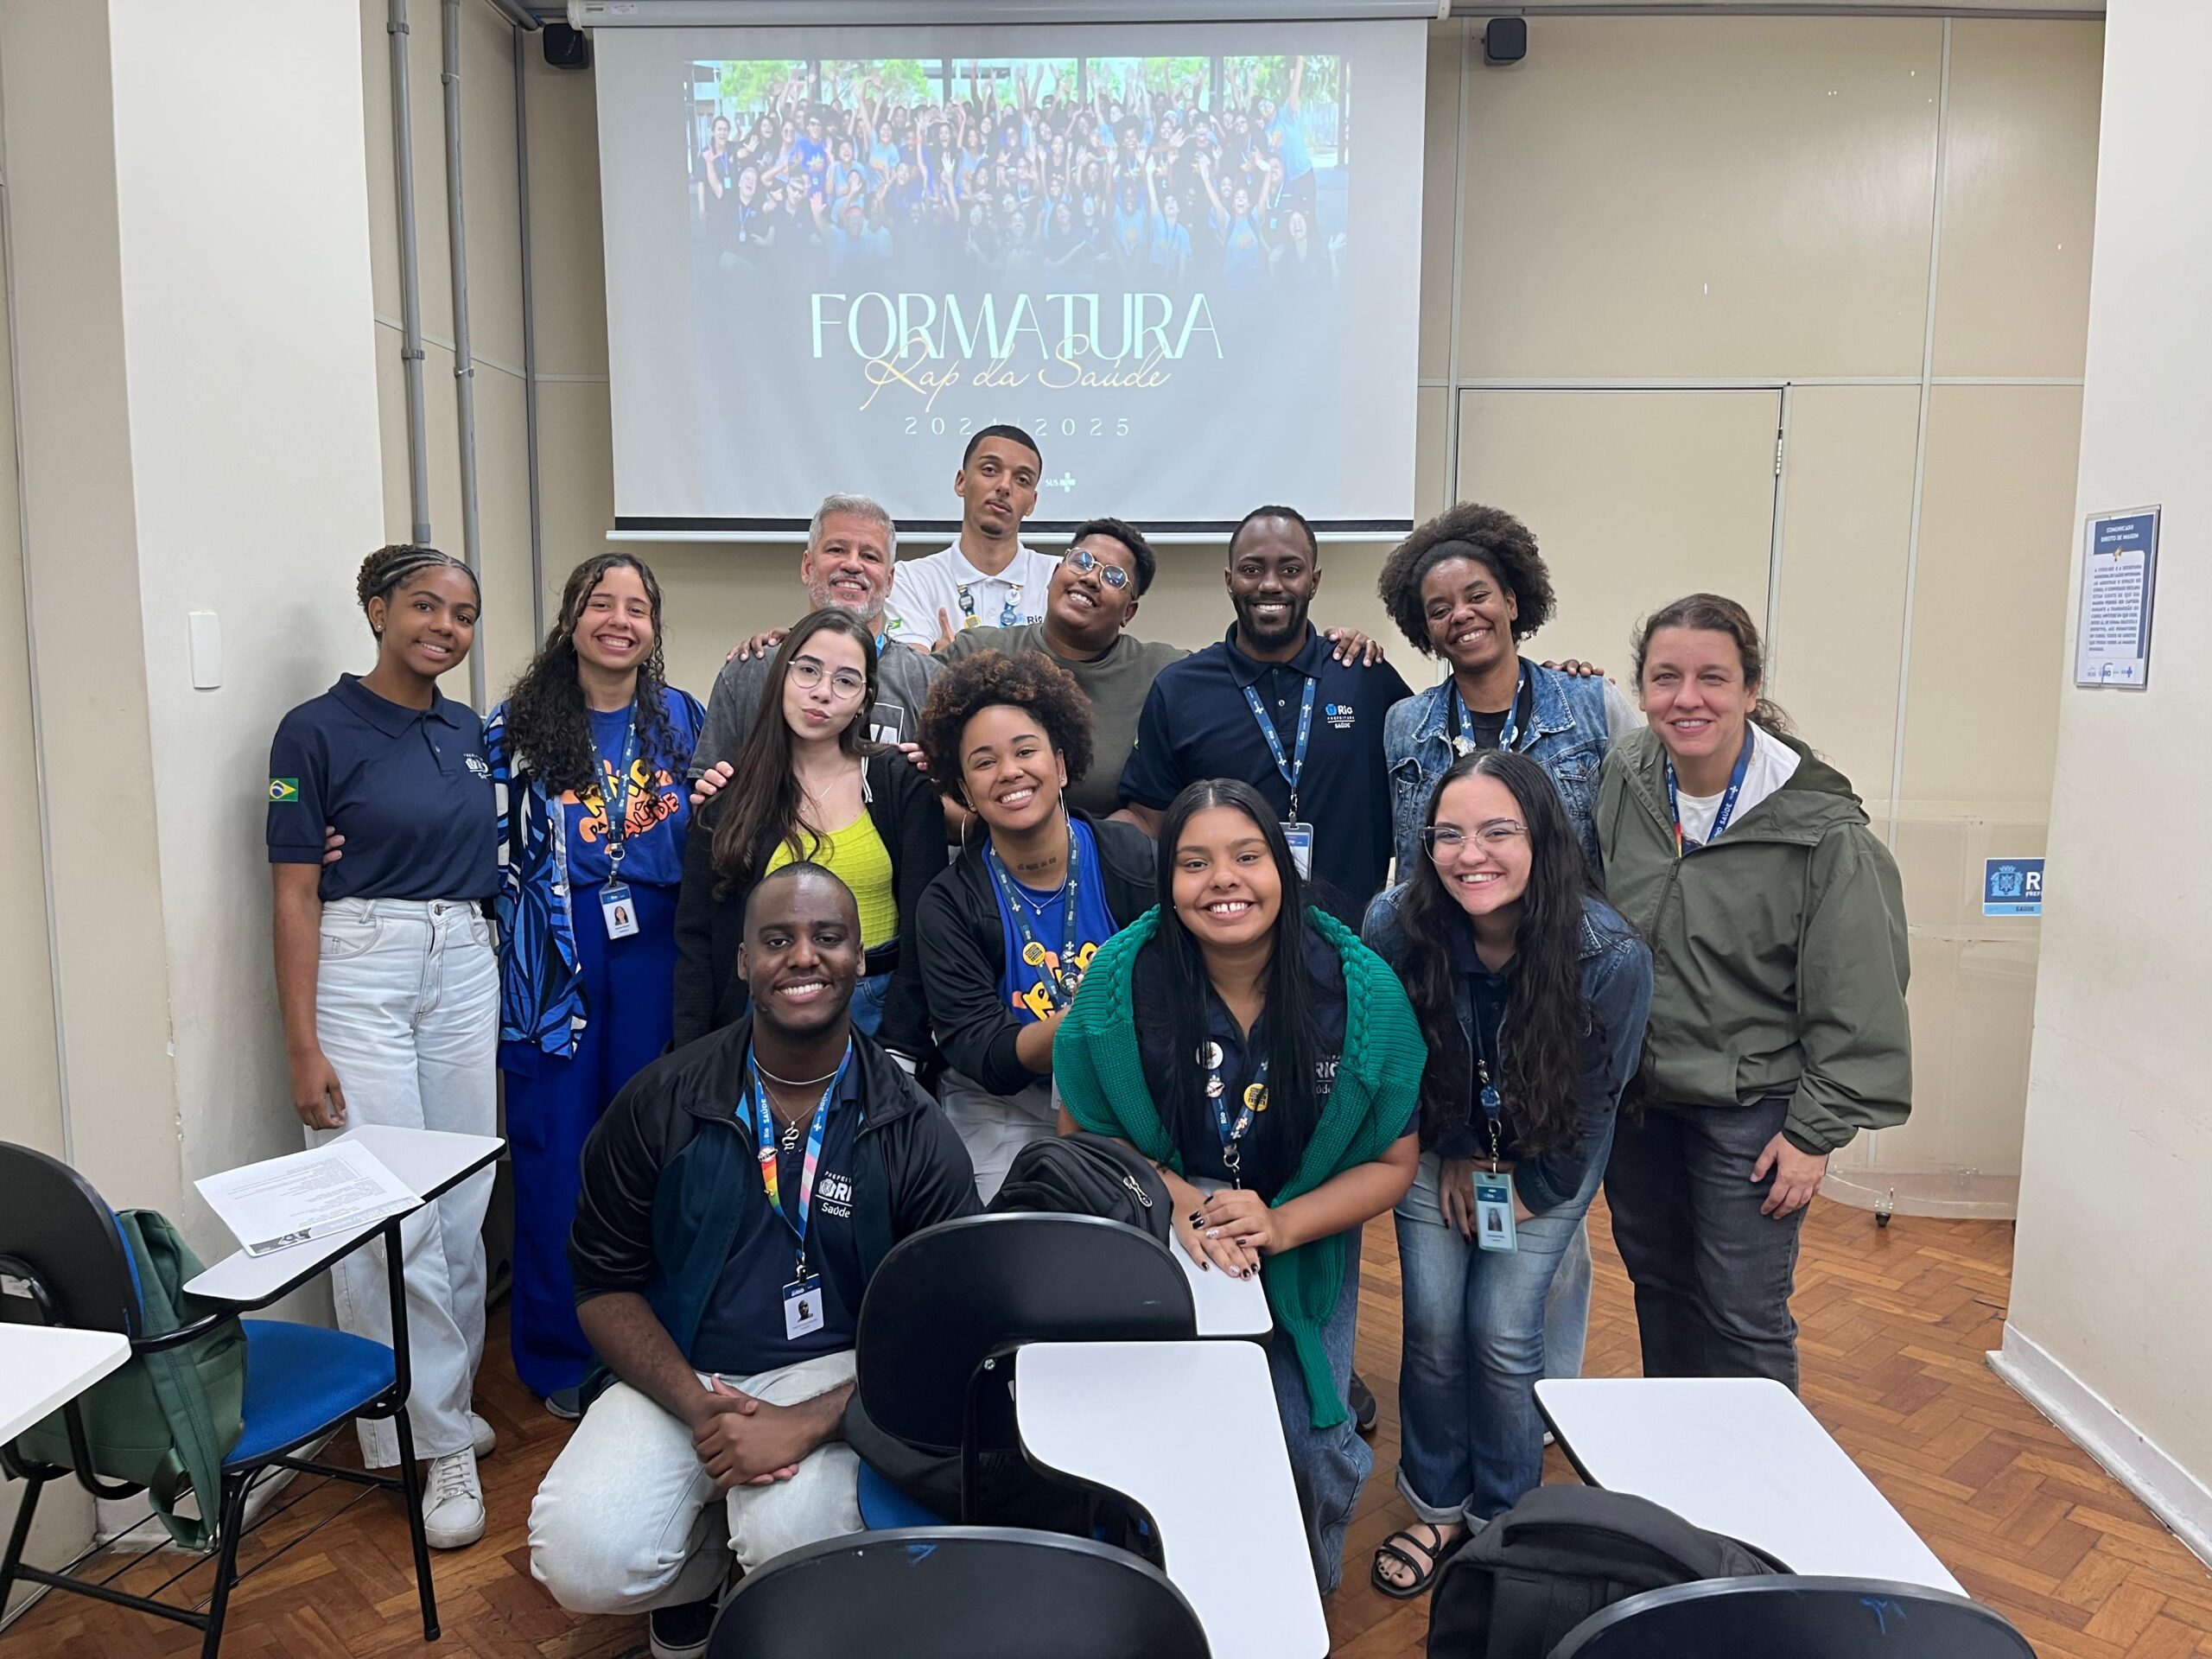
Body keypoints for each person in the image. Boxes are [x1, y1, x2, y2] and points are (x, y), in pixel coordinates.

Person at [528, 864, 979, 1658]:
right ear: (743, 963)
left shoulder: (914, 1127)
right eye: (778, 940)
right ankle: (703, 1573)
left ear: (860, 958)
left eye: (827, 937)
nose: (803, 957)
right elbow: (602, 1284)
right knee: (581, 1561)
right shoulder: (660, 1100)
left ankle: (752, 1560)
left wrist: (808, 1422)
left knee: (793, 1552)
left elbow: (947, 1329)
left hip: (836, 1373)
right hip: (686, 1367)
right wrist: (698, 1405)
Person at [1053, 779, 1422, 1593]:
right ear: (1167, 879)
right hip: (1161, 1237)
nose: (1223, 879)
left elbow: (1393, 1164)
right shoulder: (1122, 980)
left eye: (1247, 856)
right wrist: (1175, 1196)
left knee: (1307, 1442)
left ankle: (1298, 1595)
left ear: (1283, 867)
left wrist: (1282, 1225)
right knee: (1167, 1432)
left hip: (1302, 1240)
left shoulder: (1359, 991)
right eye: (1195, 863)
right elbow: (1081, 1133)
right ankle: (1170, 1597)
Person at [1598, 594, 1912, 1389]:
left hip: (1754, 1113)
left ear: (1750, 687)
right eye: (1666, 677)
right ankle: (1678, 1479)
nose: (1688, 698)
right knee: (1661, 1291)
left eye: (1713, 677)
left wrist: (1813, 1137)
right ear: (1641, 691)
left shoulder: (1824, 834)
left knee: (1743, 1316)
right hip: (1642, 1103)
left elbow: (1863, 999)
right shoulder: (1627, 777)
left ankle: (1759, 1505)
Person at [1361, 752, 1652, 1597]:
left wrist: (1520, 1185)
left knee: (1499, 1330)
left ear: (1541, 840)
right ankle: (1436, 1503)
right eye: (1447, 834)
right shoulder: (1396, 923)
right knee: (1435, 1325)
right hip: (1437, 1140)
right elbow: (1392, 1064)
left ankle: (1503, 1521)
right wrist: (1454, 1146)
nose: (1469, 854)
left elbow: (1596, 1105)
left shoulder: (1606, 953)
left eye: (1496, 831)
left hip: (1550, 1149)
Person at [265, 544, 499, 1550]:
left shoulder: (468, 730)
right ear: (375, 609)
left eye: (463, 613)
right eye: (423, 606)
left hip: (464, 957)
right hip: (362, 958)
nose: (444, 626)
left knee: (458, 1196)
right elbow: (290, 893)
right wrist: (301, 1046)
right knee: (380, 1201)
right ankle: (427, 1432)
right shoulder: (313, 731)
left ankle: (432, 1404)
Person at [485, 553, 706, 1420]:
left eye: (637, 607)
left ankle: (650, 1349)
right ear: (570, 617)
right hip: (554, 960)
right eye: (600, 603)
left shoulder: (682, 721)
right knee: (556, 1159)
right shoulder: (512, 731)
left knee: (656, 1156)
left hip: (658, 953)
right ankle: (559, 1355)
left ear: (652, 629)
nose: (619, 619)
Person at [913, 650, 1156, 1198]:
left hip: (1129, 1089)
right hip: (1002, 1106)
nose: (1010, 772)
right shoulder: (948, 904)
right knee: (1015, 1250)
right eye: (983, 762)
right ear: (964, 790)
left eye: (1026, 750)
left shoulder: (1131, 859)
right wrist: (1095, 1017)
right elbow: (985, 1054)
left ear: (1062, 766)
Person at [1121, 504, 1413, 930]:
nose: (1270, 585)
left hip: (1350, 948)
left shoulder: (1364, 676)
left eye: (1290, 570)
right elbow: (1150, 826)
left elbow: (1431, 755)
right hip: (1223, 944)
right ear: (1229, 582)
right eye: (1252, 569)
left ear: (1313, 582)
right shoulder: (1179, 689)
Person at [675, 611, 943, 1059]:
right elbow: (696, 942)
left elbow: (923, 931)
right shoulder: (728, 794)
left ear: (864, 700)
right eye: (808, 670)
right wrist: (692, 1059)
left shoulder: (901, 782)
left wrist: (903, 1046)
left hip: (874, 1015)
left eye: (845, 681)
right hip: (756, 1013)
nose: (822, 692)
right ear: (782, 674)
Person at [1376, 503, 1640, 880]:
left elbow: (1638, 843)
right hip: (1441, 935)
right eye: (1439, 610)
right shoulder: (1403, 725)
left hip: (1565, 933)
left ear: (1511, 603)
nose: (1461, 614)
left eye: (1478, 596)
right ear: (1427, 632)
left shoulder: (1592, 703)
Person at [935, 519, 1185, 820]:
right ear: (1054, 575)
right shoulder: (979, 650)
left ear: (1128, 612)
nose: (1091, 578)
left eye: (1114, 577)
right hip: (982, 850)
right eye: (1081, 561)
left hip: (1109, 858)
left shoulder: (1161, 671)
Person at [693, 493, 938, 772]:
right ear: (807, 567)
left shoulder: (930, 682)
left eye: (869, 556)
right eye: (837, 550)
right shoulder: (751, 670)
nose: (853, 565)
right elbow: (706, 794)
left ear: (890, 581)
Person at [883, 426, 1060, 646]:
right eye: (989, 470)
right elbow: (911, 674)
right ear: (961, 482)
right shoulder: (911, 579)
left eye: (1022, 480)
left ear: (1032, 503)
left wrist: (951, 657)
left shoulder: (1058, 578)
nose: (1004, 486)